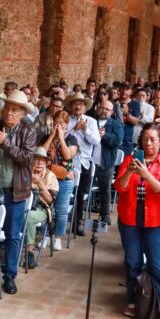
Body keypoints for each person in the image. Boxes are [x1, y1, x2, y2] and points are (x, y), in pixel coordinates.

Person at [115, 123, 160, 319]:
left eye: (153, 139)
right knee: (132, 261)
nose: (148, 143)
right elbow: (120, 187)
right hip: (129, 219)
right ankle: (134, 300)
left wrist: (146, 175)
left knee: (157, 264)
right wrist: (129, 172)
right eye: (145, 139)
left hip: (155, 221)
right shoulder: (130, 159)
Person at [0, 90, 37, 294]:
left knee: (13, 235)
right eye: (7, 108)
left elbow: (26, 158)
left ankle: (9, 275)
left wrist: (5, 143)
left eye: (15, 110)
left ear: (23, 113)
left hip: (15, 191)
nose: (10, 113)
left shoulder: (28, 131)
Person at [40, 110, 79, 251]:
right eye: (56, 123)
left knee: (61, 210)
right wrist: (51, 136)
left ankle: (57, 238)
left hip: (65, 179)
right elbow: (41, 153)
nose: (58, 126)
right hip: (48, 178)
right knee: (45, 207)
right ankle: (45, 236)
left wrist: (61, 137)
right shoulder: (46, 136)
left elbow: (68, 156)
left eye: (61, 124)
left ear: (66, 125)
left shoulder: (71, 138)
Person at [65, 92, 100, 236]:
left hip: (84, 162)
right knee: (65, 192)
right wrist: (74, 129)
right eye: (75, 104)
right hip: (67, 161)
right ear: (71, 106)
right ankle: (60, 220)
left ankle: (77, 222)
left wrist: (85, 130)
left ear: (85, 107)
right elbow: (61, 138)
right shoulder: (66, 119)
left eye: (80, 104)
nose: (78, 107)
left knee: (80, 194)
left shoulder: (91, 121)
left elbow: (96, 141)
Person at [25, 147, 60, 262]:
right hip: (23, 204)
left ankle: (29, 252)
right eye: (37, 159)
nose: (40, 163)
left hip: (42, 208)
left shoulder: (50, 176)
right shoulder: (24, 172)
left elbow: (50, 200)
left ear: (46, 163)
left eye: (43, 160)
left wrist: (39, 183)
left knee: (29, 217)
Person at [93, 100, 123, 224]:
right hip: (89, 161)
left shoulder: (116, 124)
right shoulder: (91, 121)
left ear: (112, 112)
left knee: (105, 189)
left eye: (107, 109)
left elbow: (118, 141)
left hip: (106, 162)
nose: (104, 111)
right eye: (102, 107)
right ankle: (80, 215)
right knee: (83, 189)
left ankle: (105, 215)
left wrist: (104, 135)